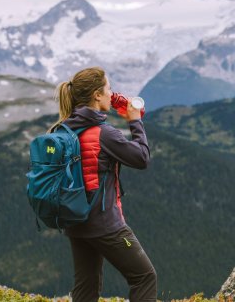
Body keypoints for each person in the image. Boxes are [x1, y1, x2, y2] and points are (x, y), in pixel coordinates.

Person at [51, 67, 157, 302]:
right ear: (97, 95)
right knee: (144, 276)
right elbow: (141, 158)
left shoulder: (64, 129)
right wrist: (135, 122)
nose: (112, 93)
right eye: (109, 88)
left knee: (86, 288)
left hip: (76, 222)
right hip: (106, 224)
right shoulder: (103, 133)